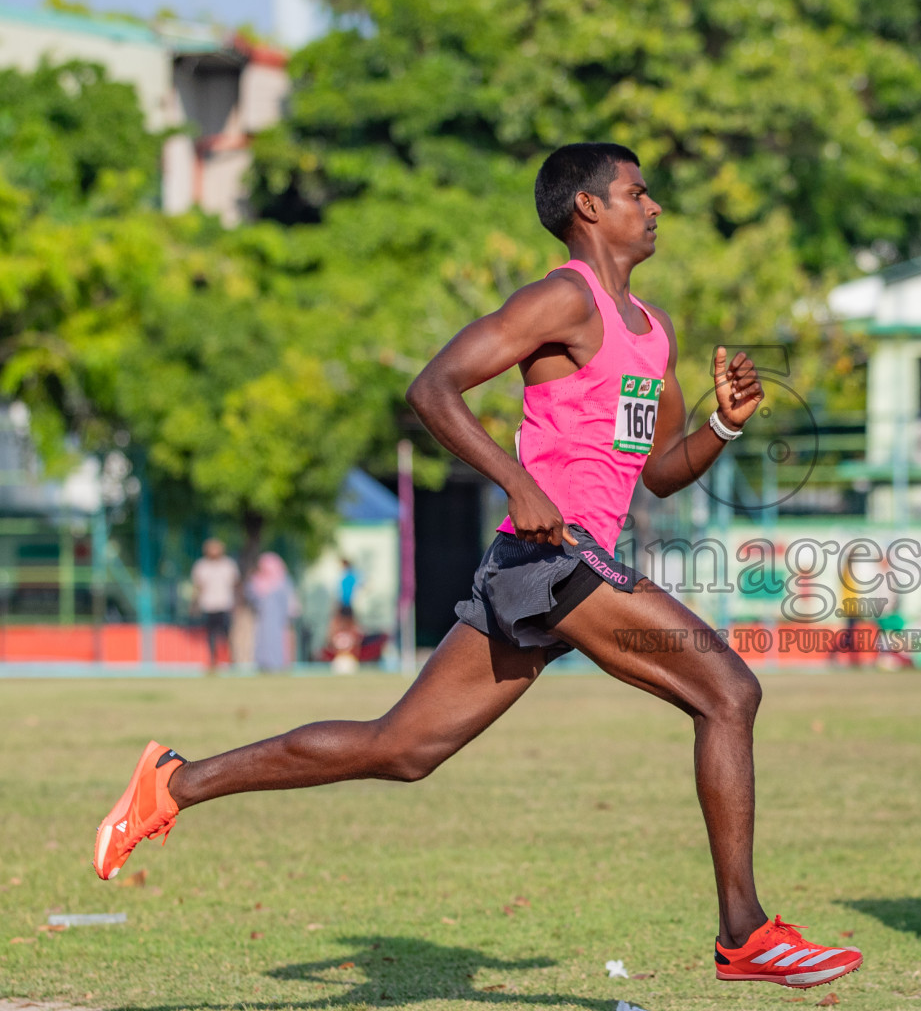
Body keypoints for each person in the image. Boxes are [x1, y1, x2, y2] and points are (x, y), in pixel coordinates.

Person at [91, 143, 861, 992]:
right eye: (638, 193)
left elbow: (662, 472)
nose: (656, 207)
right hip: (554, 557)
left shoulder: (653, 332)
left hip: (555, 567)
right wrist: (517, 480)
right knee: (729, 691)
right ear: (589, 210)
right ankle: (743, 932)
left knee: (404, 748)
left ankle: (174, 783)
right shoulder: (561, 299)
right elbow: (433, 388)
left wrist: (723, 425)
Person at [189, 539, 239, 672]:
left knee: (227, 634)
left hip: (225, 604)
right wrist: (194, 604)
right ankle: (213, 661)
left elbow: (235, 584)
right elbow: (198, 587)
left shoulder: (228, 565)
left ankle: (231, 660)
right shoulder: (201, 566)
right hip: (209, 604)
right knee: (211, 635)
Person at [245, 552, 298, 672]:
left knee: (279, 641)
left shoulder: (283, 581)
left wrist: (290, 614)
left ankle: (278, 664)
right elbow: (250, 596)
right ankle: (263, 664)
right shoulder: (257, 580)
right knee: (262, 641)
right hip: (262, 618)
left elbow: (290, 600)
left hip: (279, 619)